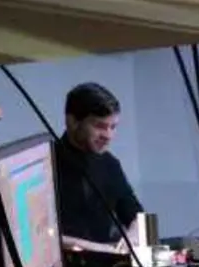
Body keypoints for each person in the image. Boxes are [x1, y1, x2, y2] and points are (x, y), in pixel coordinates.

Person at [56, 83, 143, 253]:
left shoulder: (110, 163)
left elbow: (137, 215)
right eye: (99, 126)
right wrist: (102, 249)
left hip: (104, 264)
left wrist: (134, 236)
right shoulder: (44, 165)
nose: (108, 136)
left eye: (113, 127)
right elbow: (41, 238)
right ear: (72, 121)